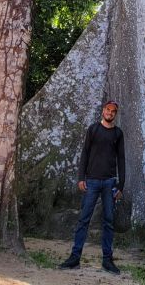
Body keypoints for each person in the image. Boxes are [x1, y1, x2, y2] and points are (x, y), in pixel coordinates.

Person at [59, 100, 125, 274]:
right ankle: (75, 257)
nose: (110, 113)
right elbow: (85, 153)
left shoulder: (118, 134)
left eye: (113, 111)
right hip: (92, 181)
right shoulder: (93, 130)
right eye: (108, 110)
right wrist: (81, 177)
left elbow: (121, 159)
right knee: (84, 219)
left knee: (109, 221)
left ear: (115, 114)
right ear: (103, 111)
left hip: (110, 183)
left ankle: (107, 260)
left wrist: (121, 186)